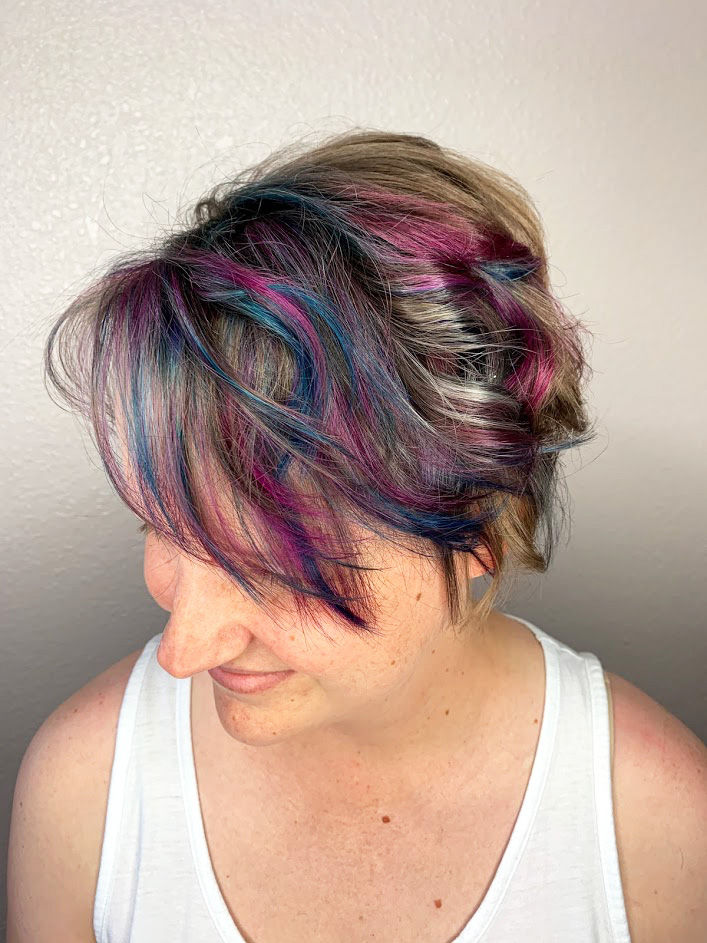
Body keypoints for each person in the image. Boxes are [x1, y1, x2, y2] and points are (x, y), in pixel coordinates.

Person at [7, 128, 706, 943]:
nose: (181, 650)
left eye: (275, 567)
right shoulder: (84, 787)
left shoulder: (652, 828)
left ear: (476, 525)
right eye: (163, 524)